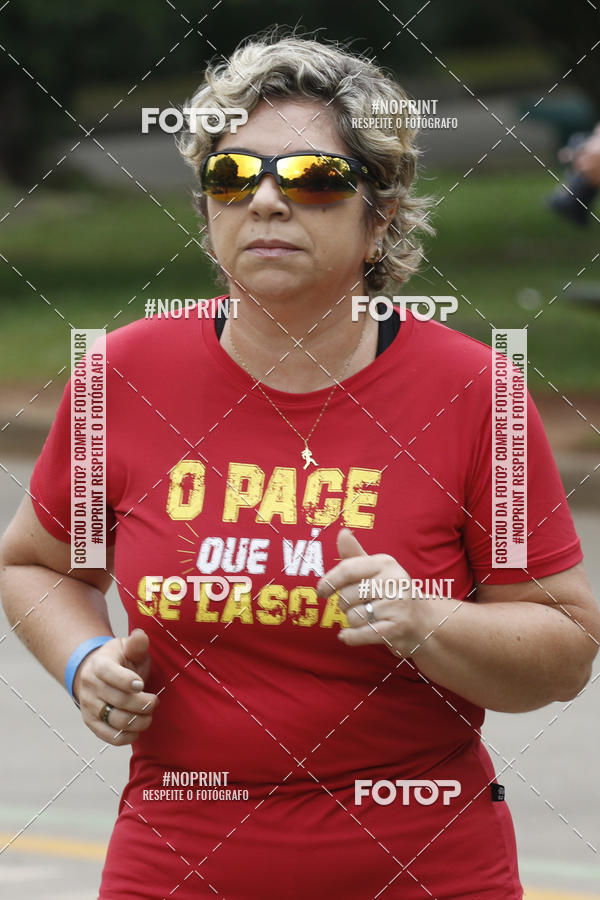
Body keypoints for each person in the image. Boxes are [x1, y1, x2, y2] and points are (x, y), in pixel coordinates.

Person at [1, 32, 599, 900]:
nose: (268, 203)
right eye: (233, 178)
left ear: (381, 213)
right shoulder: (120, 377)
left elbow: (566, 649)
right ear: (208, 209)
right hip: (176, 859)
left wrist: (425, 619)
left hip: (425, 864)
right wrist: (85, 656)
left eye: (314, 179)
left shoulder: (475, 392)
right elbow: (35, 562)